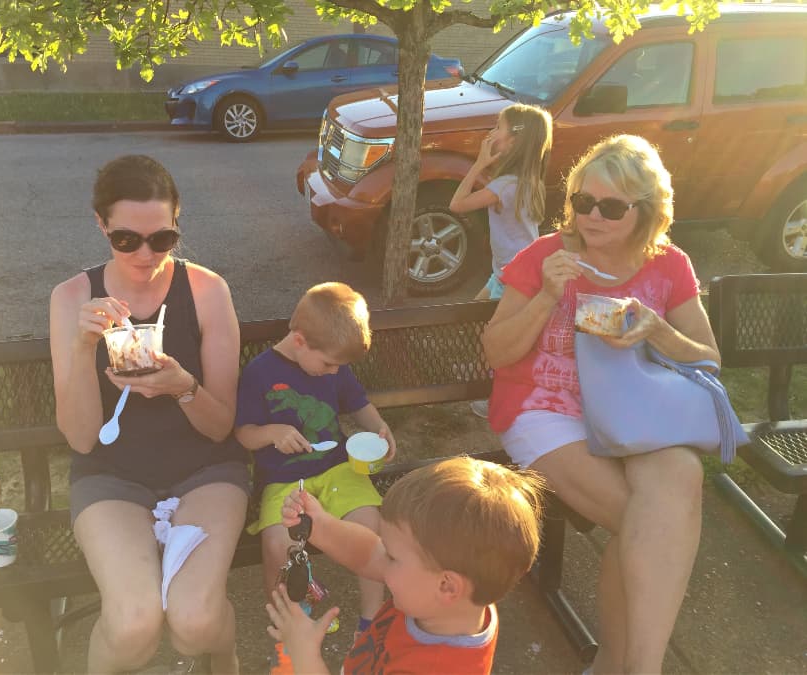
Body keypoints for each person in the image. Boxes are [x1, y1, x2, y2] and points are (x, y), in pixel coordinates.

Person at [482, 135, 718, 674]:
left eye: (610, 207)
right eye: (582, 201)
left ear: (647, 211)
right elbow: (496, 352)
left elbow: (708, 359)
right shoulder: (546, 256)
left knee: (682, 474)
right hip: (543, 408)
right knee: (641, 520)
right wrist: (546, 296)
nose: (591, 216)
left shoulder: (669, 266)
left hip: (634, 413)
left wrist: (656, 329)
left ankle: (636, 666)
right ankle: (623, 666)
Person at [49, 154, 249, 674]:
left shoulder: (206, 290)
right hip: (112, 476)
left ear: (177, 224)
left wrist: (184, 387)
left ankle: (225, 659)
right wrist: (80, 347)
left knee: (196, 624)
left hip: (205, 470)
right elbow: (81, 439)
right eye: (126, 240)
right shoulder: (73, 297)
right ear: (101, 225)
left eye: (162, 238)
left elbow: (221, 425)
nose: (145, 253)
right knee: (134, 623)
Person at [233, 282, 397, 661]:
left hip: (338, 470)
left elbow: (358, 402)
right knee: (278, 544)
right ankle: (292, 623)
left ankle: (371, 620)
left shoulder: (331, 365)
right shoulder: (260, 372)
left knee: (371, 524)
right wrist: (272, 433)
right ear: (300, 340)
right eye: (328, 364)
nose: (333, 372)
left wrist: (380, 429)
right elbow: (244, 434)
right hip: (283, 480)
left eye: (339, 367)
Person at [265, 456, 543, 674]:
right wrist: (321, 526)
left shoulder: (436, 668)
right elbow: (369, 553)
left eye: (393, 557)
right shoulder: (460, 594)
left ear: (447, 586)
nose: (383, 561)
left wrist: (303, 657)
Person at [449, 103, 553, 419]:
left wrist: (479, 163)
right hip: (510, 270)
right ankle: (484, 368)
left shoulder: (504, 185)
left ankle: (494, 391)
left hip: (515, 275)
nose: (492, 133)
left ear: (515, 141)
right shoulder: (525, 178)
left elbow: (457, 204)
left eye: (498, 128)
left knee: (496, 333)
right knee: (476, 315)